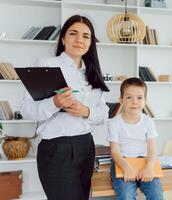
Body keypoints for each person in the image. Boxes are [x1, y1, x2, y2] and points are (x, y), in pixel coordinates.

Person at [20, 15, 109, 200]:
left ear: (90, 42)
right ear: (63, 38)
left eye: (86, 36)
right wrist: (55, 103)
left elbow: (104, 113)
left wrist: (87, 112)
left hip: (86, 146)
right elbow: (27, 110)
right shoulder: (47, 65)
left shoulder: (92, 72)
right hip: (57, 148)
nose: (79, 40)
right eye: (73, 34)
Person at [108, 77, 164, 200]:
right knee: (126, 195)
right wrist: (126, 167)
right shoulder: (114, 123)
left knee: (156, 193)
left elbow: (152, 149)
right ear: (121, 100)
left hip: (144, 161)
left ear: (145, 100)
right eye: (129, 97)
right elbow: (115, 152)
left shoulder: (148, 122)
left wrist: (149, 167)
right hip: (122, 162)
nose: (134, 102)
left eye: (139, 97)